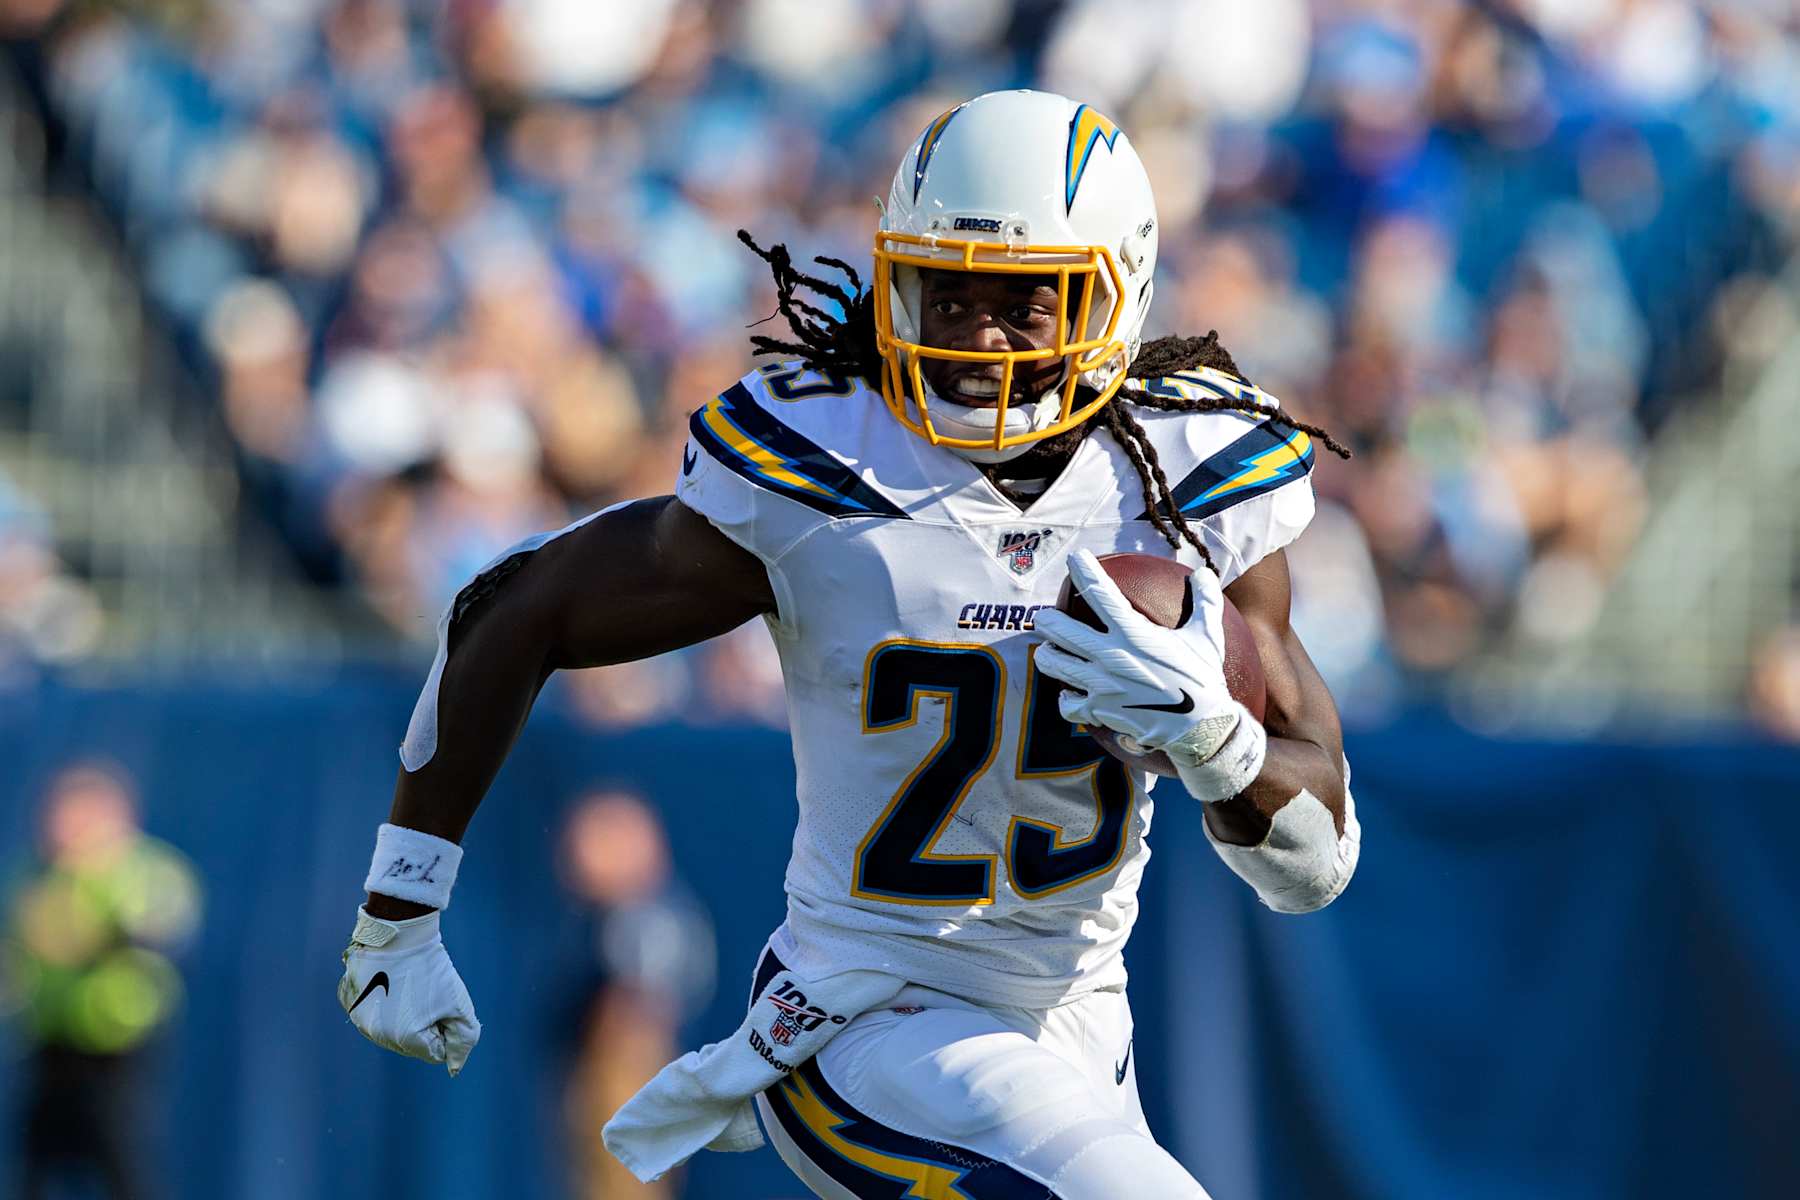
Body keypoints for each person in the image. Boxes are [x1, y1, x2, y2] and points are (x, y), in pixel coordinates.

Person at [338, 90, 1361, 1198]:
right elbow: (515, 603)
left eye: (1025, 301)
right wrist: (398, 907)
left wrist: (1219, 745)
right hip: (866, 1019)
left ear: (1116, 291)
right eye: (947, 292)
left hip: (1080, 1033)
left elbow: (1317, 867)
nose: (978, 337)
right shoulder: (827, 467)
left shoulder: (1188, 472)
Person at [4, 763, 201, 1200]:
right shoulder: (37, 876)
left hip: (117, 1045)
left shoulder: (141, 871)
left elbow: (160, 930)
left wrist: (96, 936)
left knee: (121, 1160)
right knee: (36, 1161)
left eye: (80, 816)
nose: (65, 828)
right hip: (51, 1040)